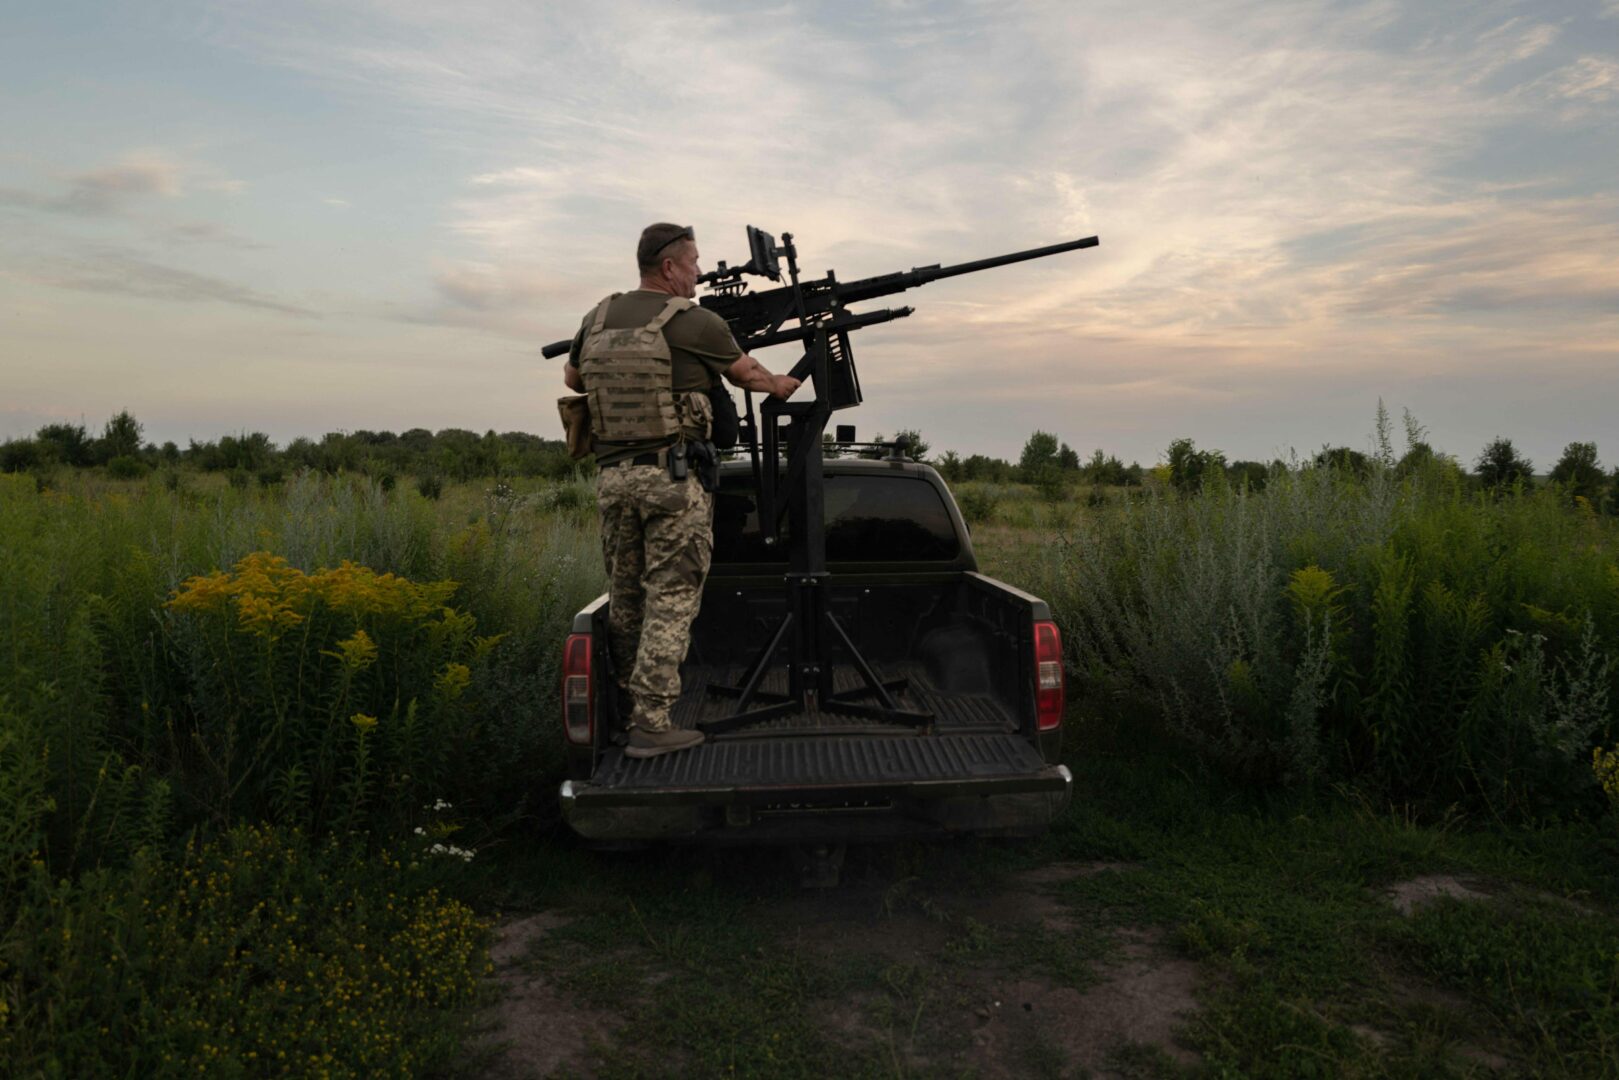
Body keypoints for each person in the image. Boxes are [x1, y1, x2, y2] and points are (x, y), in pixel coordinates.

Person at [564, 223, 800, 758]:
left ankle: (628, 713)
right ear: (669, 267)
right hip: (671, 480)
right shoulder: (693, 320)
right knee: (671, 598)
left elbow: (573, 380)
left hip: (613, 480)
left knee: (627, 599)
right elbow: (747, 373)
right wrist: (780, 383)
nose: (699, 272)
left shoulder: (596, 317)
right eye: (693, 262)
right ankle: (652, 725)